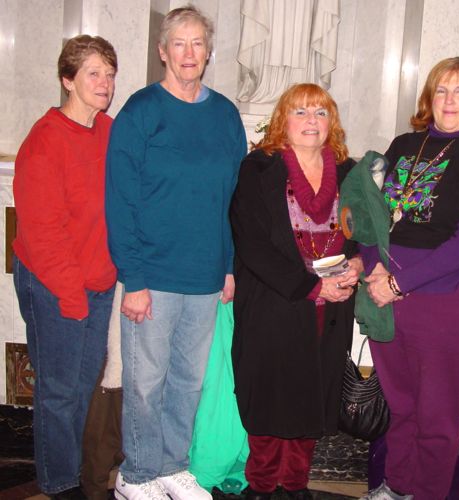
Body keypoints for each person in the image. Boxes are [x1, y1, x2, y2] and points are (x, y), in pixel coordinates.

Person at [106, 6, 246, 500]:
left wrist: (228, 266)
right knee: (146, 383)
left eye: (198, 44)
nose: (189, 53)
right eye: (178, 44)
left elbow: (234, 201)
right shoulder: (141, 112)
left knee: (188, 382)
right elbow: (120, 201)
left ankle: (172, 466)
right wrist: (134, 277)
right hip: (154, 275)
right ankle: (136, 475)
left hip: (206, 276)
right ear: (163, 52)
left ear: (209, 52)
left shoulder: (226, 115)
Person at [359, 57, 459, 500]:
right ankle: (395, 487)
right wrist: (375, 268)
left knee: (438, 416)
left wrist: (398, 283)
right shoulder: (403, 144)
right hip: (387, 294)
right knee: (402, 406)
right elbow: (369, 211)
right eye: (441, 90)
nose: (449, 100)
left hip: (447, 302)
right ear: (428, 97)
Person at [230, 83, 360, 500]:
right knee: (269, 394)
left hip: (331, 305)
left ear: (331, 123)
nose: (311, 121)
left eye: (320, 113)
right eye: (300, 112)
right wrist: (309, 285)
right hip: (275, 301)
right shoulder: (259, 168)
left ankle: (296, 482)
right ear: (282, 121)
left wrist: (356, 264)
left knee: (312, 396)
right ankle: (263, 484)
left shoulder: (350, 172)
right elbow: (251, 242)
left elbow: (367, 232)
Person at [12, 35, 118, 499]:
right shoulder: (46, 141)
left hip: (98, 283)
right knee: (58, 393)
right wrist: (72, 296)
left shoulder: (109, 130)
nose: (105, 82)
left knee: (81, 390)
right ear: (67, 81)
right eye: (93, 73)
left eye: (110, 73)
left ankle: (73, 475)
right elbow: (43, 232)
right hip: (56, 286)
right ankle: (60, 485)